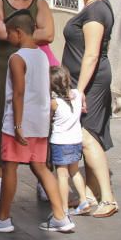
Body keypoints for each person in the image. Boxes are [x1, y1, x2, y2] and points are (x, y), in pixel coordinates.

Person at [0, 12, 73, 233]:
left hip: (20, 124)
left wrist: (17, 126)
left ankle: (3, 218)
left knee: (9, 167)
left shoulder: (17, 58)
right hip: (39, 123)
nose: (7, 36)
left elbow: (18, 93)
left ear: (18, 32)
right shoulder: (43, 57)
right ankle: (60, 216)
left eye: (9, 33)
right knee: (41, 168)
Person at [0, 0, 54, 200]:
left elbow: (51, 33)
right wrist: (32, 34)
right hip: (3, 66)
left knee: (39, 119)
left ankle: (42, 177)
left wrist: (17, 35)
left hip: (33, 70)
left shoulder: (40, 3)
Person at [61, 0, 118, 218]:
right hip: (86, 80)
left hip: (90, 82)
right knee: (90, 135)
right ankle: (92, 194)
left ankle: (108, 198)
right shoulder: (98, 7)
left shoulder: (95, 12)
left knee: (87, 137)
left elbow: (91, 55)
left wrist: (79, 90)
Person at [49, 65, 89, 219]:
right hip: (76, 140)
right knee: (75, 171)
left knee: (62, 175)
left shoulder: (55, 102)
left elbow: (49, 117)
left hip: (60, 142)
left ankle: (64, 208)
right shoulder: (77, 94)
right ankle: (84, 201)